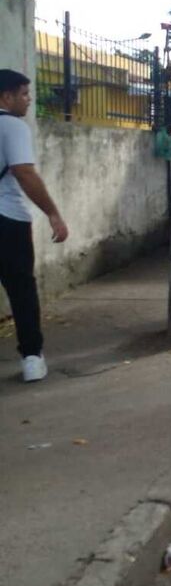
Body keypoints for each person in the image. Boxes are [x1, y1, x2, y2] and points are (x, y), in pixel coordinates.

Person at [0, 70, 68, 382]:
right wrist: (53, 212)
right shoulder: (12, 126)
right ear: (6, 97)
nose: (29, 100)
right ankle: (31, 357)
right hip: (8, 220)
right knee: (21, 289)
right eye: (24, 94)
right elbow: (24, 172)